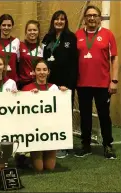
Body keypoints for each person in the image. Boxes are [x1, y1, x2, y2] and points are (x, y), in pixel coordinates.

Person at [74, 5, 119, 159]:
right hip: (82, 84)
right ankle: (85, 145)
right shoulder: (77, 35)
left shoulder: (108, 35)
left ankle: (107, 145)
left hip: (102, 84)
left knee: (104, 115)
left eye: (94, 15)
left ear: (99, 18)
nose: (91, 18)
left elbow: (114, 58)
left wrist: (114, 81)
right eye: (89, 15)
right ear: (85, 18)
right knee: (85, 116)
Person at [42, 10, 78, 158]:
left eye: (62, 19)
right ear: (53, 21)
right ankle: (50, 144)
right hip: (49, 83)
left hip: (65, 84)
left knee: (64, 114)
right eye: (57, 19)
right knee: (50, 113)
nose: (59, 22)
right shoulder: (47, 37)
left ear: (65, 21)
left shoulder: (71, 37)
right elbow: (42, 59)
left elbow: (74, 63)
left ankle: (64, 146)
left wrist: (69, 85)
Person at [22, 59, 67, 172]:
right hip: (34, 131)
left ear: (48, 72)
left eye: (44, 70)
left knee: (50, 167)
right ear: (34, 72)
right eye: (38, 70)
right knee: (39, 168)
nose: (41, 72)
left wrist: (64, 93)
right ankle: (24, 159)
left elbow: (60, 109)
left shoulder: (54, 88)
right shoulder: (27, 88)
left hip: (50, 130)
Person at [0, 14, 20, 82]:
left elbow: (19, 63)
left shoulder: (16, 42)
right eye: (3, 25)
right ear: (0, 26)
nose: (6, 27)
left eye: (9, 25)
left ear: (12, 26)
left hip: (12, 81)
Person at [18, 20, 43, 90]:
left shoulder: (42, 47)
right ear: (26, 32)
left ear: (38, 32)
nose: (32, 32)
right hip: (23, 83)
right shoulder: (20, 45)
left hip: (39, 82)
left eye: (35, 30)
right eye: (29, 30)